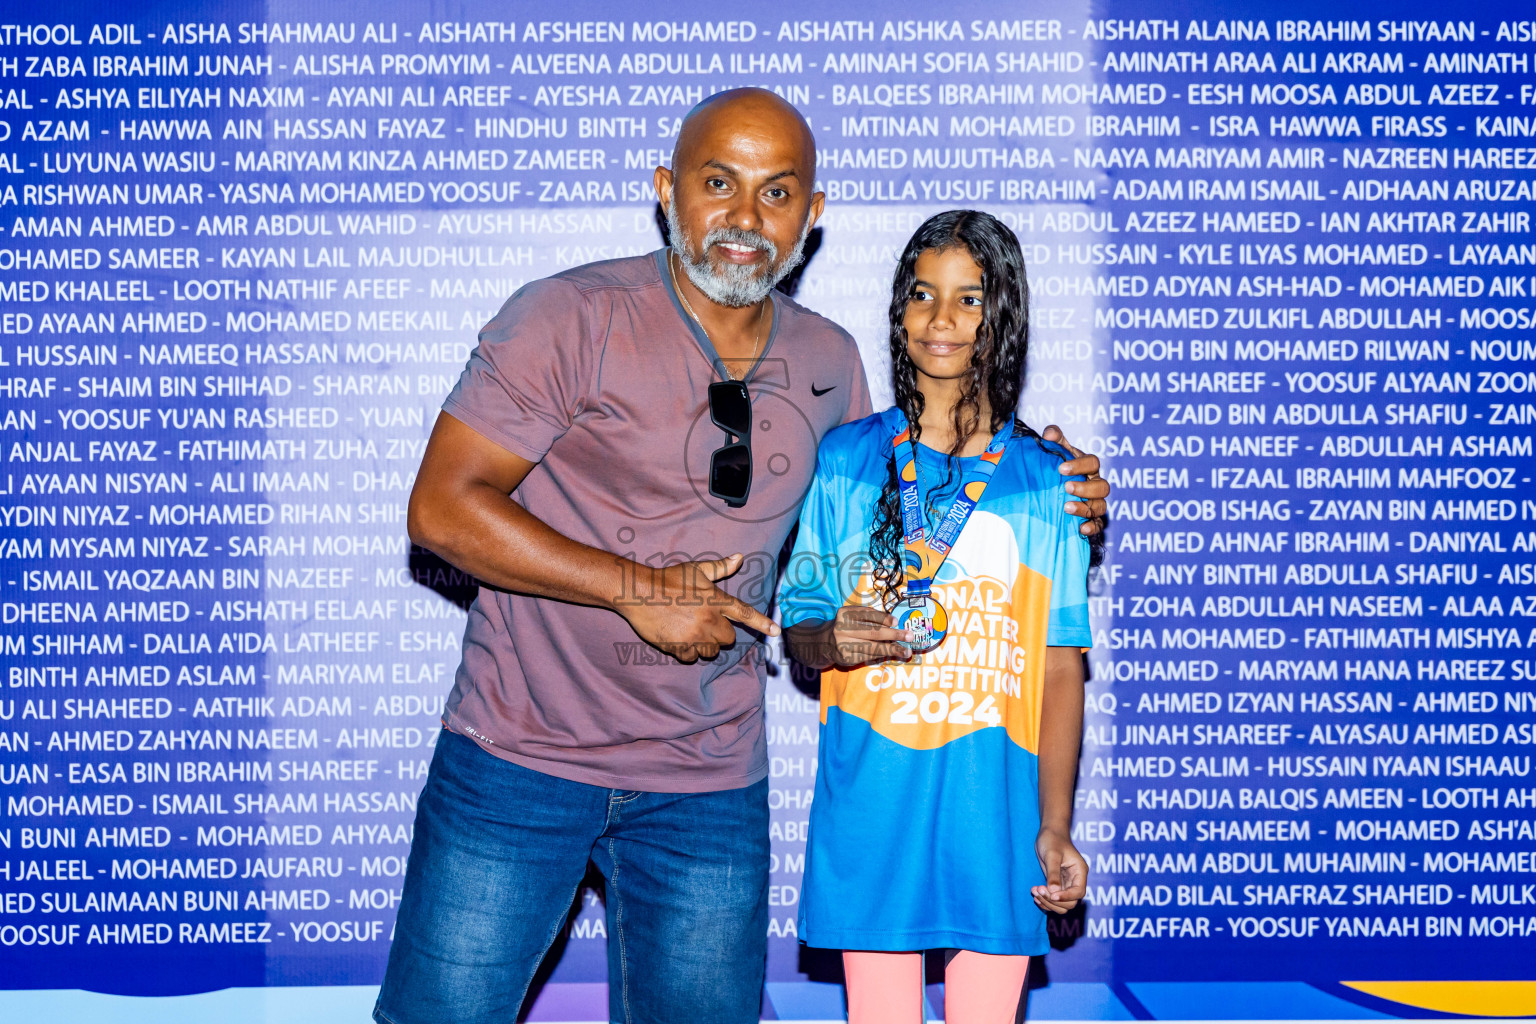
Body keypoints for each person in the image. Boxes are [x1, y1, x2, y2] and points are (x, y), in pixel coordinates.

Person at [376, 88, 1109, 1024]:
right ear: (666, 189)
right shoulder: (568, 316)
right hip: (520, 760)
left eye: (776, 193)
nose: (744, 219)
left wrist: (1050, 479)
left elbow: (905, 510)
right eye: (719, 184)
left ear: (812, 215)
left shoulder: (833, 364)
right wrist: (635, 590)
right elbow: (441, 510)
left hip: (707, 784)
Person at [780, 210, 1093, 1024]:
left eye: (969, 299)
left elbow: (1061, 667)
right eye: (923, 295)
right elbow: (801, 632)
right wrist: (834, 638)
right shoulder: (849, 460)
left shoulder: (1047, 482)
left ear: (1005, 316)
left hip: (997, 821)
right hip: (874, 812)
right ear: (900, 311)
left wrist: (1055, 825)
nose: (942, 320)